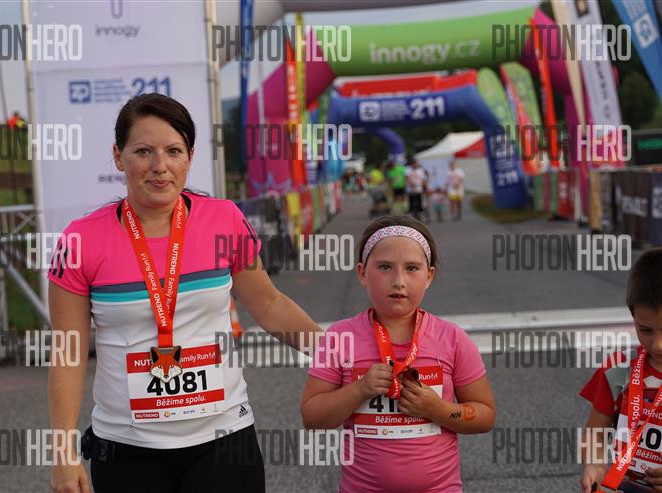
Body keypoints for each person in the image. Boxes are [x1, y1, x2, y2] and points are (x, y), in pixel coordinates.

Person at [48, 94, 321, 493]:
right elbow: (68, 351)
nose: (159, 166)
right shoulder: (81, 240)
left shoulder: (223, 220)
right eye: (143, 151)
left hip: (223, 441)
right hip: (127, 449)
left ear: (189, 157)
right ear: (119, 157)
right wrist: (62, 453)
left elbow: (269, 304)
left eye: (173, 151)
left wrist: (341, 354)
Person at [301, 215, 496, 493]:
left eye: (412, 268)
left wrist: (438, 410)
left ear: (429, 276)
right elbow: (312, 418)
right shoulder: (339, 337)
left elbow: (485, 416)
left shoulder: (452, 338)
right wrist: (359, 390)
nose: (399, 281)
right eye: (385, 267)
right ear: (362, 273)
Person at [579, 248, 662, 493]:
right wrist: (594, 463)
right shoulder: (619, 368)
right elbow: (595, 432)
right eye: (645, 330)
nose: (658, 344)